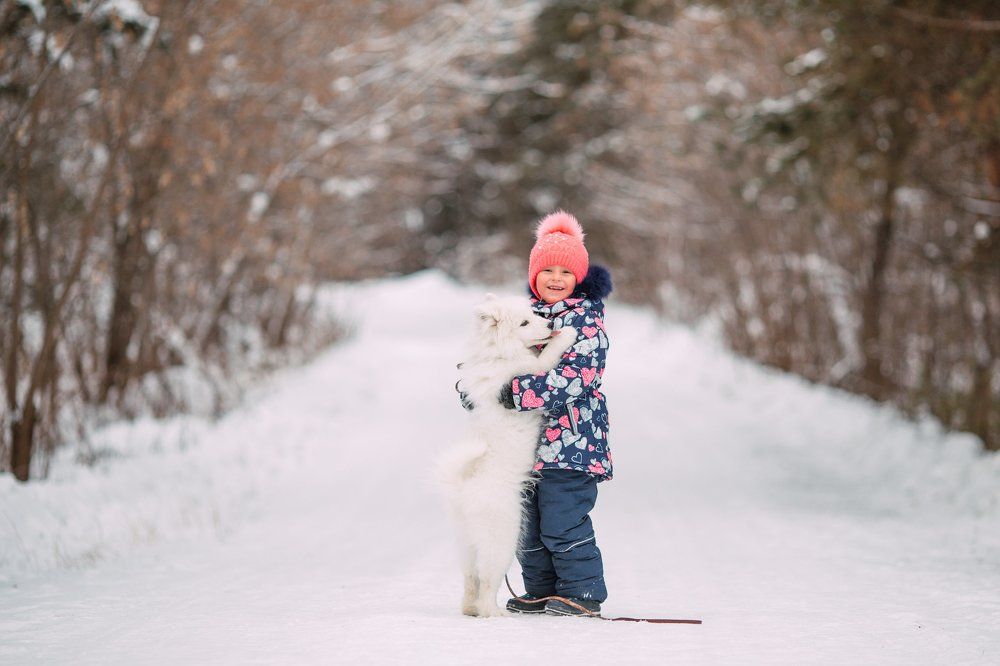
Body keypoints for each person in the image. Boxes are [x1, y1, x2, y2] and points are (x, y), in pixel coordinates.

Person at [460, 210, 614, 617]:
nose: (556, 278)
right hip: (529, 450)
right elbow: (493, 360)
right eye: (547, 270)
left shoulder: (585, 322)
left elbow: (575, 377)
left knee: (562, 520)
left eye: (567, 271)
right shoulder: (523, 316)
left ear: (579, 277)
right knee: (528, 524)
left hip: (573, 444)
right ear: (534, 275)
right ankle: (542, 590)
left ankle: (582, 592)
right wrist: (479, 391)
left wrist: (516, 394)